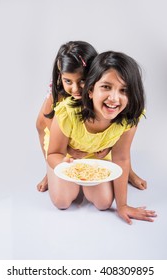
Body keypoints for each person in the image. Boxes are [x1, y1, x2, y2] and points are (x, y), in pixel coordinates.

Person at [46, 51, 157, 224]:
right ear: (90, 90)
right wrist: (64, 165)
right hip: (66, 156)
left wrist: (122, 205)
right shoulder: (68, 113)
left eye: (124, 90)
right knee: (62, 201)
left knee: (104, 203)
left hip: (98, 153)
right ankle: (50, 176)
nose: (114, 98)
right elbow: (53, 153)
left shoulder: (128, 119)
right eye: (106, 87)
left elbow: (121, 157)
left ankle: (127, 176)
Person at [36, 41, 147, 192]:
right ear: (61, 77)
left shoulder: (99, 92)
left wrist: (107, 146)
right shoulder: (62, 93)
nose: (75, 89)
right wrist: (68, 146)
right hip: (65, 135)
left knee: (119, 154)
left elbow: (111, 128)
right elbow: (44, 122)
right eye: (68, 81)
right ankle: (49, 172)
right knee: (44, 133)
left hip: (90, 136)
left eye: (82, 81)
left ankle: (130, 172)